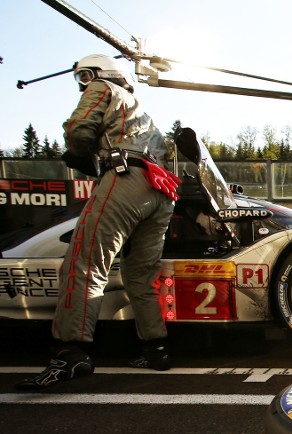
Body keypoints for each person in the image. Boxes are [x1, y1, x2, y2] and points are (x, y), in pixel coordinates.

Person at [16, 54, 181, 390]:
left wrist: (79, 155)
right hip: (162, 190)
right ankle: (157, 348)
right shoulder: (144, 114)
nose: (82, 84)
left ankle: (70, 353)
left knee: (85, 261)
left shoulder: (102, 87)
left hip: (125, 177)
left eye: (83, 78)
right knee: (141, 274)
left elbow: (79, 130)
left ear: (96, 73)